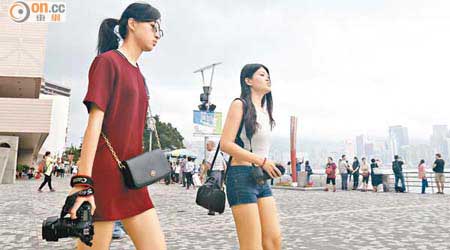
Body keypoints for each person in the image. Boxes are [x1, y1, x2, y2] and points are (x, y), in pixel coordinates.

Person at [67, 3, 166, 249]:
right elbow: (94, 125)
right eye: (153, 27)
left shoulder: (139, 74)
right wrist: (83, 182)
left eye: (159, 30)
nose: (157, 34)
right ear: (132, 24)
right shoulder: (107, 63)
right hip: (105, 176)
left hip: (133, 176)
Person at [220, 64, 282, 250]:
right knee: (251, 246)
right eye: (262, 74)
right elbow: (226, 144)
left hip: (260, 178)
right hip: (240, 177)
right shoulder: (240, 104)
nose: (267, 78)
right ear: (248, 81)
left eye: (268, 75)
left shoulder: (264, 111)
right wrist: (262, 161)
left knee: (273, 240)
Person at [202, 140, 227, 215]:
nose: (206, 147)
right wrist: (223, 178)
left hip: (213, 173)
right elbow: (225, 166)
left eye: (207, 145)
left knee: (211, 191)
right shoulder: (219, 153)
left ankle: (211, 209)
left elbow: (208, 165)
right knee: (217, 191)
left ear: (211, 145)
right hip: (220, 174)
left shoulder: (212, 153)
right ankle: (218, 208)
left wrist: (202, 174)